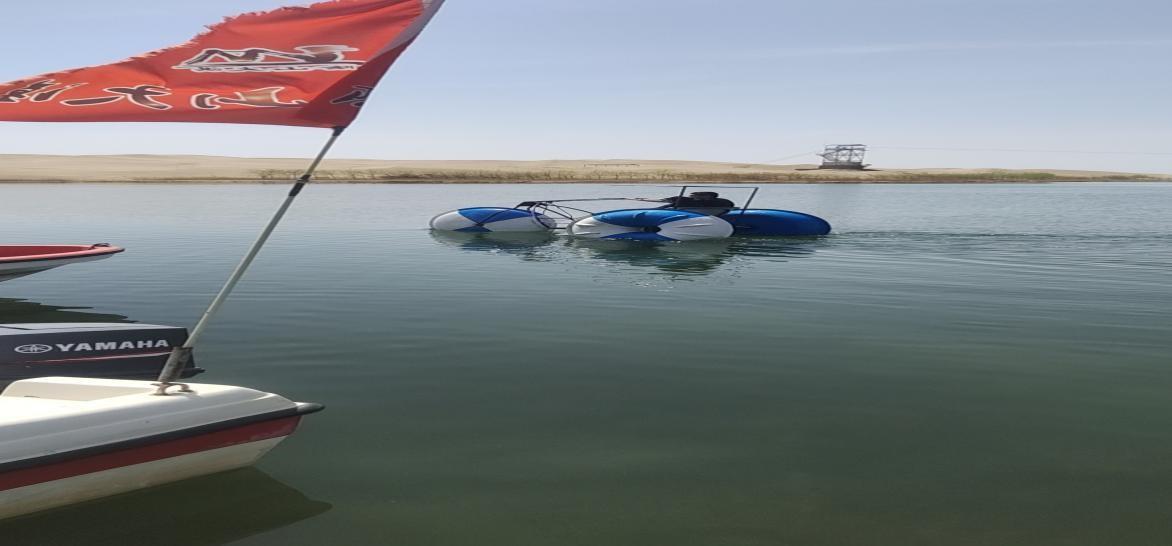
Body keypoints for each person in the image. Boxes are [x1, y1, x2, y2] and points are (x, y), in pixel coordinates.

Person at [657, 191, 736, 216]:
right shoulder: (687, 201)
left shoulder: (720, 201)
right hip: (702, 212)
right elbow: (669, 204)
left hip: (710, 213)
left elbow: (730, 205)